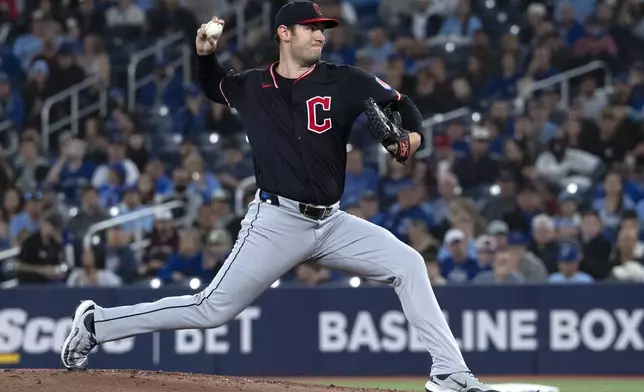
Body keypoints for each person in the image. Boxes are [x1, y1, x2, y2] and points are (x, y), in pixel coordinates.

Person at [60, 3, 498, 391]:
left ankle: (450, 372)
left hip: (332, 223)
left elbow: (403, 105)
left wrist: (412, 140)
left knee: (409, 263)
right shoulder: (253, 85)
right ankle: (96, 323)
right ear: (284, 33)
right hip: (277, 221)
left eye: (323, 28)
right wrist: (205, 54)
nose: (321, 34)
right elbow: (214, 86)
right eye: (310, 27)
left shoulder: (345, 81)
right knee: (211, 310)